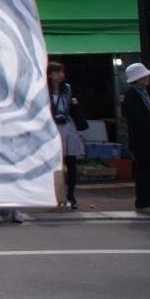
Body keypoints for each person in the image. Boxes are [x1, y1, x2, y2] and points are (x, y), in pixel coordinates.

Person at [47, 60, 85, 210]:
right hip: (52, 127)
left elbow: (70, 107)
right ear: (49, 75)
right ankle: (56, 195)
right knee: (54, 164)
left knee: (71, 162)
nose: (60, 75)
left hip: (68, 126)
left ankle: (71, 195)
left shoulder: (67, 89)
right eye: (56, 72)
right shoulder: (45, 90)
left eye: (61, 72)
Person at [122, 62, 150, 214]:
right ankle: (143, 202)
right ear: (137, 79)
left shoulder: (144, 92)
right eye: (144, 76)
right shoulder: (131, 95)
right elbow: (137, 118)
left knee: (147, 170)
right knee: (143, 171)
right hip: (141, 140)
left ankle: (146, 201)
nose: (147, 78)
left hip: (146, 138)